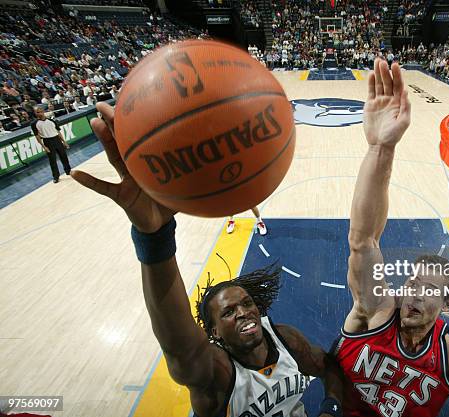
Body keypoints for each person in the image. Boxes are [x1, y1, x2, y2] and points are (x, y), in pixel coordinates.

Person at [71, 102, 344, 417]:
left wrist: (331, 408)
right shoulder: (215, 374)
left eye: (245, 303)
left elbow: (330, 369)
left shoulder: (287, 341)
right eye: (228, 312)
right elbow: (179, 343)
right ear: (213, 334)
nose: (243, 312)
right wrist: (155, 238)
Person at [334, 59, 449, 417]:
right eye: (414, 282)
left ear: (447, 305)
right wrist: (380, 149)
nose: (415, 291)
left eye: (430, 289)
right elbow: (363, 241)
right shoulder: (377, 312)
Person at [31, 106, 71, 183]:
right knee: (52, 160)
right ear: (35, 113)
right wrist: (44, 146)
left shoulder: (51, 121)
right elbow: (37, 136)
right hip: (47, 141)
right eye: (37, 112)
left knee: (64, 156)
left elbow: (58, 132)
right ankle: (56, 176)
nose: (39, 113)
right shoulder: (34, 124)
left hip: (57, 139)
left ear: (43, 111)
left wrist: (64, 142)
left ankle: (68, 171)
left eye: (40, 111)